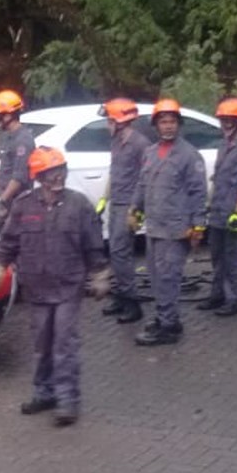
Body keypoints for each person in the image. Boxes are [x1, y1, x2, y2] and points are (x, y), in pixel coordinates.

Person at [0, 147, 110, 427]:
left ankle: (67, 400)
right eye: (51, 173)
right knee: (42, 344)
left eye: (60, 171)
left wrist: (100, 273)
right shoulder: (23, 206)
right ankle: (44, 393)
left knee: (63, 344)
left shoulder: (78, 205)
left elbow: (93, 243)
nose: (58, 177)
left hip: (68, 285)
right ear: (39, 177)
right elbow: (9, 241)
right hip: (37, 286)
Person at [130, 99, 208, 345]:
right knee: (155, 277)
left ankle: (169, 327)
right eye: (163, 121)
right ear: (156, 125)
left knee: (168, 278)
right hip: (154, 227)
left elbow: (198, 193)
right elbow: (142, 183)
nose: (168, 126)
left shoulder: (189, 156)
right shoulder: (150, 153)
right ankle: (166, 317)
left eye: (172, 121)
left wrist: (198, 226)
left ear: (179, 124)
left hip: (176, 230)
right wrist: (134, 208)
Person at [198, 98, 237, 317]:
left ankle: (234, 300)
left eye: (231, 120)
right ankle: (217, 295)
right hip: (218, 210)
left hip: (233, 211)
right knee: (217, 255)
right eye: (223, 120)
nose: (226, 124)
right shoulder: (224, 145)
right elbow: (217, 177)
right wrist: (209, 203)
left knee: (232, 258)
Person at [99, 98, 150, 322]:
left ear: (120, 122)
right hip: (116, 203)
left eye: (109, 121)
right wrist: (104, 198)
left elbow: (145, 179)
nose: (107, 125)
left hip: (129, 206)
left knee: (122, 253)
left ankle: (132, 304)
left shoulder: (140, 145)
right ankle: (121, 296)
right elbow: (114, 172)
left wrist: (136, 210)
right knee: (115, 252)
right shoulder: (116, 142)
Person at [0, 89, 35, 226]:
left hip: (12, 205)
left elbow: (19, 177)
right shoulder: (10, 136)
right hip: (5, 203)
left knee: (8, 238)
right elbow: (9, 163)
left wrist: (1, 202)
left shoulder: (23, 140)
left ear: (7, 116)